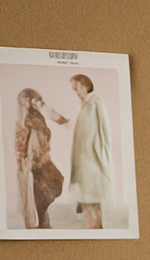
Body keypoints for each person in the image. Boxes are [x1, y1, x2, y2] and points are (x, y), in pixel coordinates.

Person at [12, 88, 66, 229]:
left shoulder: (38, 115)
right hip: (34, 161)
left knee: (56, 181)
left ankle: (43, 221)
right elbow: (20, 140)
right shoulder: (26, 118)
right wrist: (22, 161)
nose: (40, 103)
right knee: (40, 190)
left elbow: (52, 118)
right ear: (29, 102)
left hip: (43, 157)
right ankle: (43, 223)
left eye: (39, 100)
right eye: (36, 100)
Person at [65, 74, 113, 229]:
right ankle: (95, 228)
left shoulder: (95, 103)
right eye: (74, 89)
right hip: (82, 158)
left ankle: (96, 228)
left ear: (85, 86)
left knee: (91, 197)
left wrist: (102, 154)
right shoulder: (83, 105)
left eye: (77, 88)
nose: (76, 92)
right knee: (86, 196)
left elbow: (104, 130)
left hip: (92, 157)